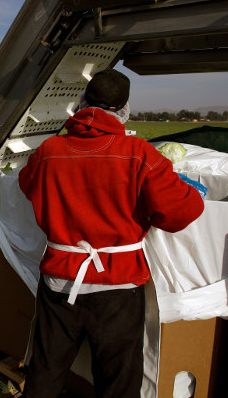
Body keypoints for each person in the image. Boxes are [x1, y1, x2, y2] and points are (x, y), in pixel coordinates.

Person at [18, 69, 205, 398]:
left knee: (45, 375)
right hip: (118, 288)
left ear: (82, 103)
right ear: (124, 110)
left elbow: (26, 185)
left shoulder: (49, 150)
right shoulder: (139, 153)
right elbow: (181, 213)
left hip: (60, 283)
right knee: (117, 384)